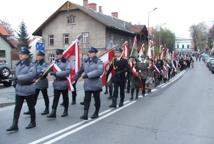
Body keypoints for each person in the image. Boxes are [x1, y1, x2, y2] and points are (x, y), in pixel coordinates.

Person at [7, 47, 37, 131]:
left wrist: (18, 78)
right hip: (19, 89)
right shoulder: (18, 64)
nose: (20, 55)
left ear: (27, 55)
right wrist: (14, 81)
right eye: (20, 54)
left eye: (22, 54)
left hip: (28, 88)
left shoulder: (31, 65)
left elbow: (31, 75)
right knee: (17, 108)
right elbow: (15, 75)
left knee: (31, 107)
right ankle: (14, 124)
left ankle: (33, 122)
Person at [75, 47, 104, 120]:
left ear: (95, 53)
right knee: (87, 99)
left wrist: (87, 75)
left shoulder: (99, 61)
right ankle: (85, 114)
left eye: (91, 52)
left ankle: (96, 112)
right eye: (89, 52)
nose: (90, 54)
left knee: (97, 99)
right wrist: (75, 79)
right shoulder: (86, 61)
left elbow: (99, 71)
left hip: (96, 83)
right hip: (88, 84)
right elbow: (80, 71)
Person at [47, 49, 72, 118]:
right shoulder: (55, 62)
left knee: (65, 98)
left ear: (62, 54)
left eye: (59, 54)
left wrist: (56, 73)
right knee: (55, 98)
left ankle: (66, 110)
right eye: (57, 54)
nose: (58, 55)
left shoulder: (67, 62)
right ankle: (53, 112)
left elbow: (67, 71)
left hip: (64, 82)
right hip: (57, 82)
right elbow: (50, 68)